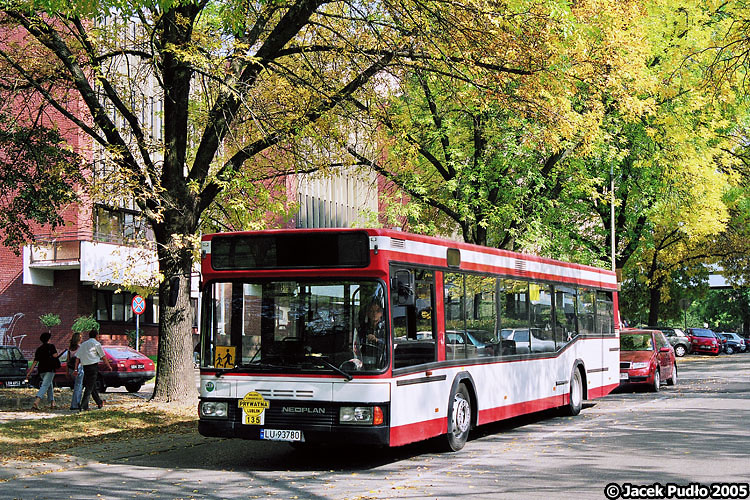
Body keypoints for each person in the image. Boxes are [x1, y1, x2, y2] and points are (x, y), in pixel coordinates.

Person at [76, 330, 111, 411]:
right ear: (96, 336)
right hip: (93, 367)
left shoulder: (83, 344)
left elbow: (77, 357)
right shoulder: (96, 344)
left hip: (85, 367)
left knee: (92, 386)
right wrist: (108, 366)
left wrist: (75, 368)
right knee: (89, 387)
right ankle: (83, 405)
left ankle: (99, 402)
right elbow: (103, 356)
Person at [26, 332, 60, 410]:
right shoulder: (51, 346)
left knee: (49, 385)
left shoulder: (39, 349)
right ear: (48, 339)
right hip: (50, 369)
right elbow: (55, 355)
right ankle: (36, 402)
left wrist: (29, 372)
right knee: (45, 385)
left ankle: (52, 403)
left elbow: (35, 362)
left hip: (41, 370)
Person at [67, 332, 84, 410]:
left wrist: (67, 371)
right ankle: (75, 404)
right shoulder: (80, 348)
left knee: (76, 385)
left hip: (71, 368)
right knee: (78, 386)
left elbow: (68, 361)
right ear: (78, 339)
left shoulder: (70, 348)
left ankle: (75, 403)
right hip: (78, 368)